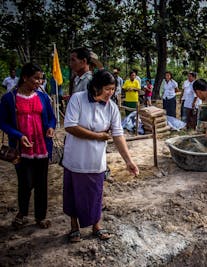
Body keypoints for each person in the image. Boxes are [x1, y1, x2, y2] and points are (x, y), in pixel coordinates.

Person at [62, 70, 139, 242]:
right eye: (107, 89)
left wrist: (129, 161)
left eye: (112, 89)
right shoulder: (78, 99)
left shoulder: (111, 107)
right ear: (95, 86)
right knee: (73, 193)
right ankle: (74, 227)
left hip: (96, 160)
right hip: (75, 157)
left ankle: (96, 225)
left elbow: (118, 135)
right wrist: (98, 136)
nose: (110, 93)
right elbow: (70, 126)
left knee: (96, 194)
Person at [0, 63, 56, 229]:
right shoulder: (9, 98)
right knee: (25, 182)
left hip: (42, 147)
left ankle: (41, 217)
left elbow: (51, 118)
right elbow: (2, 122)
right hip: (20, 149)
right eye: (36, 78)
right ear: (24, 77)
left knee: (41, 183)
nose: (39, 82)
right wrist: (19, 135)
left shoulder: (43, 97)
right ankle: (22, 213)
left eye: (41, 79)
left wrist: (51, 128)